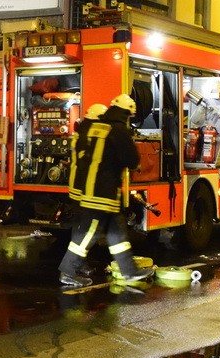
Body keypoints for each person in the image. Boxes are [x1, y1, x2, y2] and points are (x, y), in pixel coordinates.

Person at [58, 93, 151, 288]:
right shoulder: (118, 130)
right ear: (127, 114)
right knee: (89, 233)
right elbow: (132, 161)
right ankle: (68, 270)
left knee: (117, 233)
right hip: (99, 194)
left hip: (100, 192)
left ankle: (129, 272)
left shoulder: (98, 129)